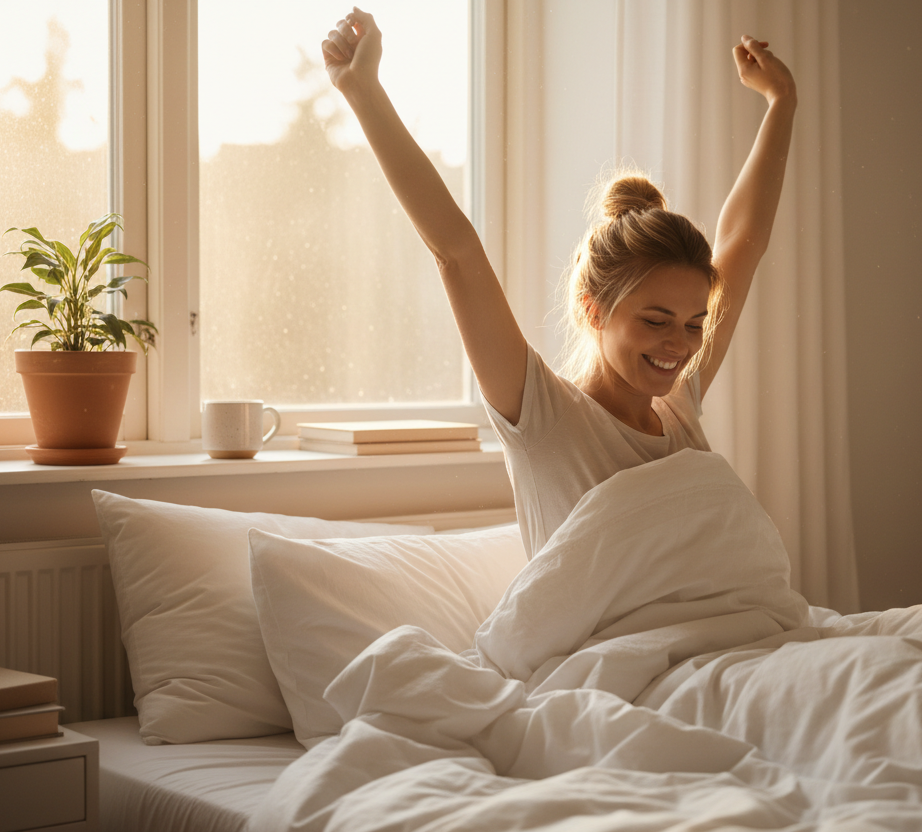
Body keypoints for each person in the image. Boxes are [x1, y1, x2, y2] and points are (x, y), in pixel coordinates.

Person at [322, 7, 796, 557]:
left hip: (728, 631)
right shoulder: (543, 418)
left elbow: (745, 241)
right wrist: (362, 91)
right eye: (655, 320)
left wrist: (781, 101)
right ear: (595, 310)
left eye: (695, 324)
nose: (682, 345)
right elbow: (455, 251)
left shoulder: (679, 407)